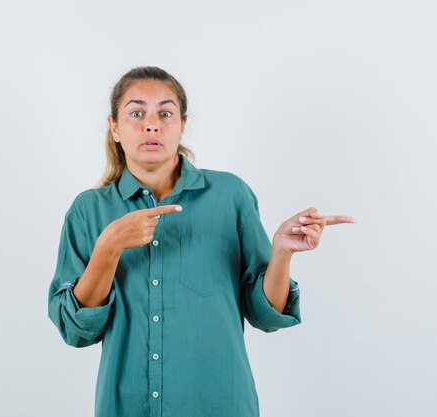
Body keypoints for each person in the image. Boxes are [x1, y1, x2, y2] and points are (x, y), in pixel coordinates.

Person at [47, 66, 356, 417]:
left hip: (220, 404)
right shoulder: (88, 210)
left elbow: (265, 314)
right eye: (136, 113)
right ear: (114, 127)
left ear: (182, 125)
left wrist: (281, 253)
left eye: (165, 113)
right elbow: (75, 331)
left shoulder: (230, 195)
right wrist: (109, 247)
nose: (152, 125)